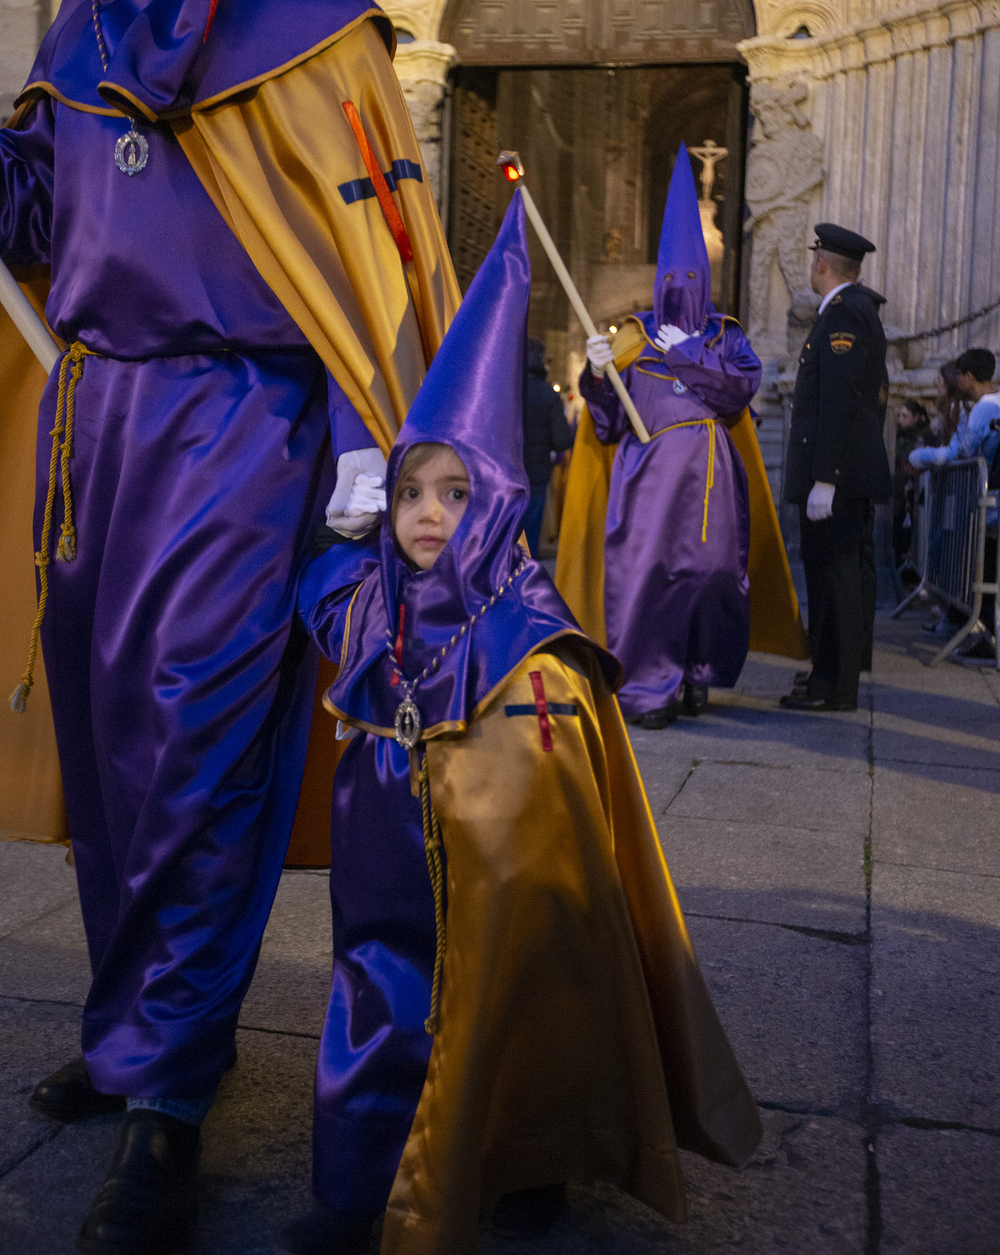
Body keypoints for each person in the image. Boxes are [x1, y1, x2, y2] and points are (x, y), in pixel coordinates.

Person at [0, 0, 458, 1251]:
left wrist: (357, 452)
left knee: (201, 752)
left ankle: (170, 1104)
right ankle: (131, 1029)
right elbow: (42, 218)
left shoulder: (310, 19)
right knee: (113, 758)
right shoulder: (80, 14)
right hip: (97, 427)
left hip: (243, 433)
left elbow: (368, 266)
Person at [289, 191, 762, 1255]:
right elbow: (317, 583)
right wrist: (337, 505)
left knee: (523, 991)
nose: (426, 516)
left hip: (503, 883)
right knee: (374, 999)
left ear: (500, 505)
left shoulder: (536, 641)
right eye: (412, 492)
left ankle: (529, 1156)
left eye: (457, 495)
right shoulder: (368, 602)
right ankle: (358, 1184)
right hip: (384, 882)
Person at [571, 148, 763, 727]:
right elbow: (606, 420)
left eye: (690, 277)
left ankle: (699, 671)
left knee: (710, 575)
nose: (680, 286)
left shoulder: (725, 337)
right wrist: (598, 372)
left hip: (709, 476)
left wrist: (683, 355)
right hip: (645, 474)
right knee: (647, 576)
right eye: (670, 277)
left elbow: (738, 390)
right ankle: (647, 687)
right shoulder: (631, 338)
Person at [780, 224, 892, 713]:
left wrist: (827, 477)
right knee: (829, 579)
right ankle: (828, 672)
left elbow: (841, 403)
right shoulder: (850, 312)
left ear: (821, 264)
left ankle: (837, 686)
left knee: (837, 579)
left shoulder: (846, 315)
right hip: (840, 475)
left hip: (837, 479)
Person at [909, 348, 1000, 663]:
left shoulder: (982, 409)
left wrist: (925, 457)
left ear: (968, 376)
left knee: (983, 574)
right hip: (989, 503)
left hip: (986, 506)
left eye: (959, 374)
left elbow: (964, 450)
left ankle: (987, 638)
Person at [521, 336, 573, 555]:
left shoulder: (506, 391)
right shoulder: (548, 395)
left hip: (504, 472)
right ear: (541, 360)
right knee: (530, 534)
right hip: (537, 476)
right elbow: (562, 441)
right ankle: (523, 581)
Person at [892, 400, 930, 571]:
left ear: (916, 417)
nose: (900, 419)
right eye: (899, 416)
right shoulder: (901, 435)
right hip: (900, 489)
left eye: (905, 416)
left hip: (912, 487)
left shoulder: (920, 436)